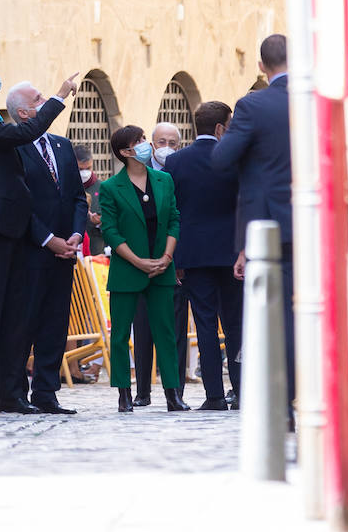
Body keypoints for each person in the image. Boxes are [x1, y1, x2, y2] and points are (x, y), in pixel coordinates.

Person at [0, 58, 79, 413]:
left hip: (7, 226)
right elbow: (23, 133)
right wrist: (58, 96)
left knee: (8, 313)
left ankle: (9, 394)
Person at [212, 33, 294, 415]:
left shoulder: (253, 105)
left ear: (261, 66)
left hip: (269, 226)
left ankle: (281, 398)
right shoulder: (317, 101)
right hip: (314, 223)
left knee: (276, 315)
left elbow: (221, 159)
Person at [8, 82, 88, 415]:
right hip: (30, 251)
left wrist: (74, 235)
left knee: (55, 324)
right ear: (24, 113)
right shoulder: (14, 148)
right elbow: (18, 203)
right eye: (38, 99)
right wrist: (47, 239)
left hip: (65, 252)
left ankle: (46, 390)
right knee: (23, 323)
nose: (45, 102)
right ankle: (15, 392)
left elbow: (77, 199)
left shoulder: (62, 145)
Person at [98, 125, 188, 413]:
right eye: (138, 142)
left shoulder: (164, 180)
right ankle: (124, 394)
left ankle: (173, 394)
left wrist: (166, 257)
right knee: (122, 333)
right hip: (127, 269)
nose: (144, 144)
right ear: (125, 152)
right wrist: (137, 261)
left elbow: (174, 219)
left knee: (166, 331)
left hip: (162, 267)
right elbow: (110, 231)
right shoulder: (111, 187)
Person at [166, 100, 243, 411]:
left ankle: (213, 395)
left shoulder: (175, 162)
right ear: (221, 127)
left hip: (194, 254)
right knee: (236, 324)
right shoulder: (235, 159)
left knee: (205, 324)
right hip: (231, 252)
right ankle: (241, 390)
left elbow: (173, 211)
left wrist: (176, 257)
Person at [132, 121, 189, 406]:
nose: (167, 147)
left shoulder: (180, 172)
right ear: (152, 143)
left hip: (171, 259)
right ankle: (142, 391)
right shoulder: (137, 170)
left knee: (174, 328)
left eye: (173, 143)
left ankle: (175, 390)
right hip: (140, 259)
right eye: (162, 141)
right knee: (143, 329)